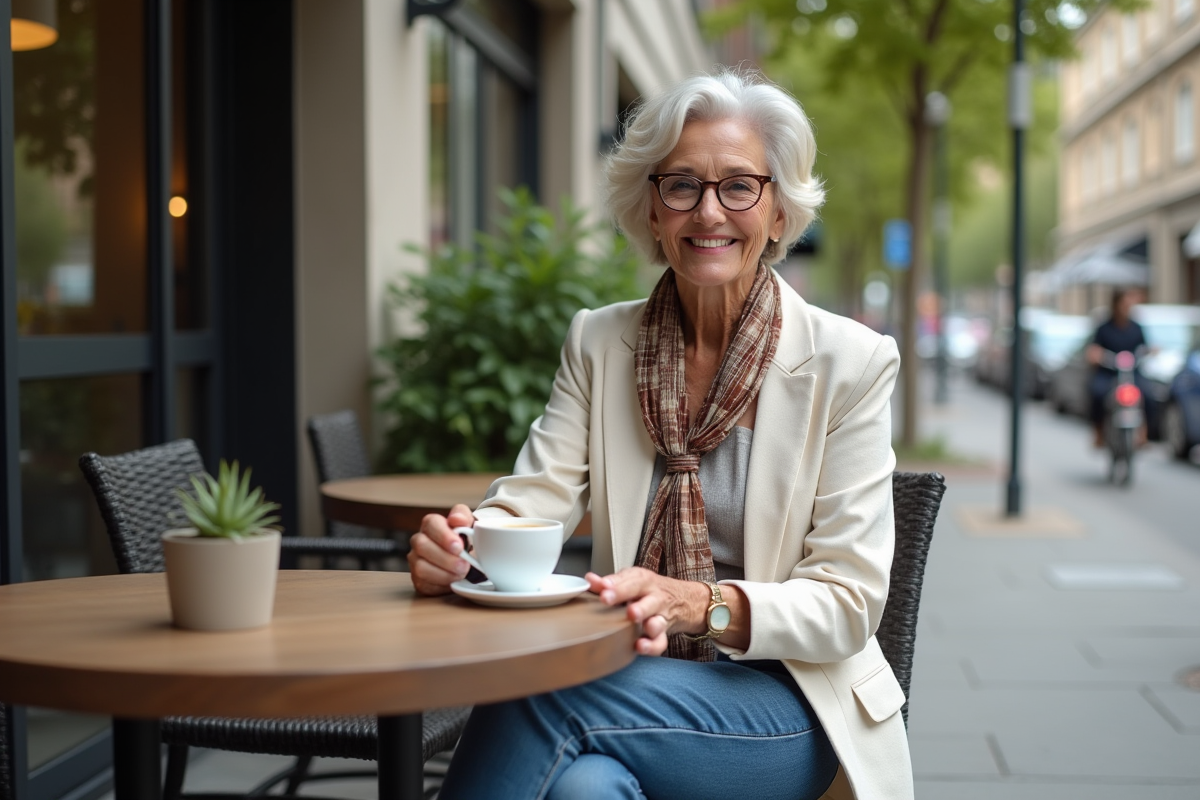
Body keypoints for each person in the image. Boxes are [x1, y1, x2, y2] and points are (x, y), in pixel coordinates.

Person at [409, 68, 911, 800]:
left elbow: (847, 600)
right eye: (681, 185)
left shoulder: (852, 362)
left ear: (778, 213)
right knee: (583, 790)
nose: (709, 213)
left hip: (790, 706)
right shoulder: (598, 342)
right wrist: (467, 546)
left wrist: (696, 603)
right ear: (651, 210)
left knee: (540, 689)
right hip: (636, 684)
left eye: (739, 185)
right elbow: (532, 501)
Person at [1086, 288, 1150, 448]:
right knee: (1097, 392)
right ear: (1116, 304)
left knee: (1148, 394)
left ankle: (1143, 432)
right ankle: (1099, 431)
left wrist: (1150, 352)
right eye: (1124, 303)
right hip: (1109, 373)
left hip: (1131, 373)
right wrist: (1095, 355)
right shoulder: (1104, 327)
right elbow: (1094, 348)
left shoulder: (1136, 327)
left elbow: (1144, 347)